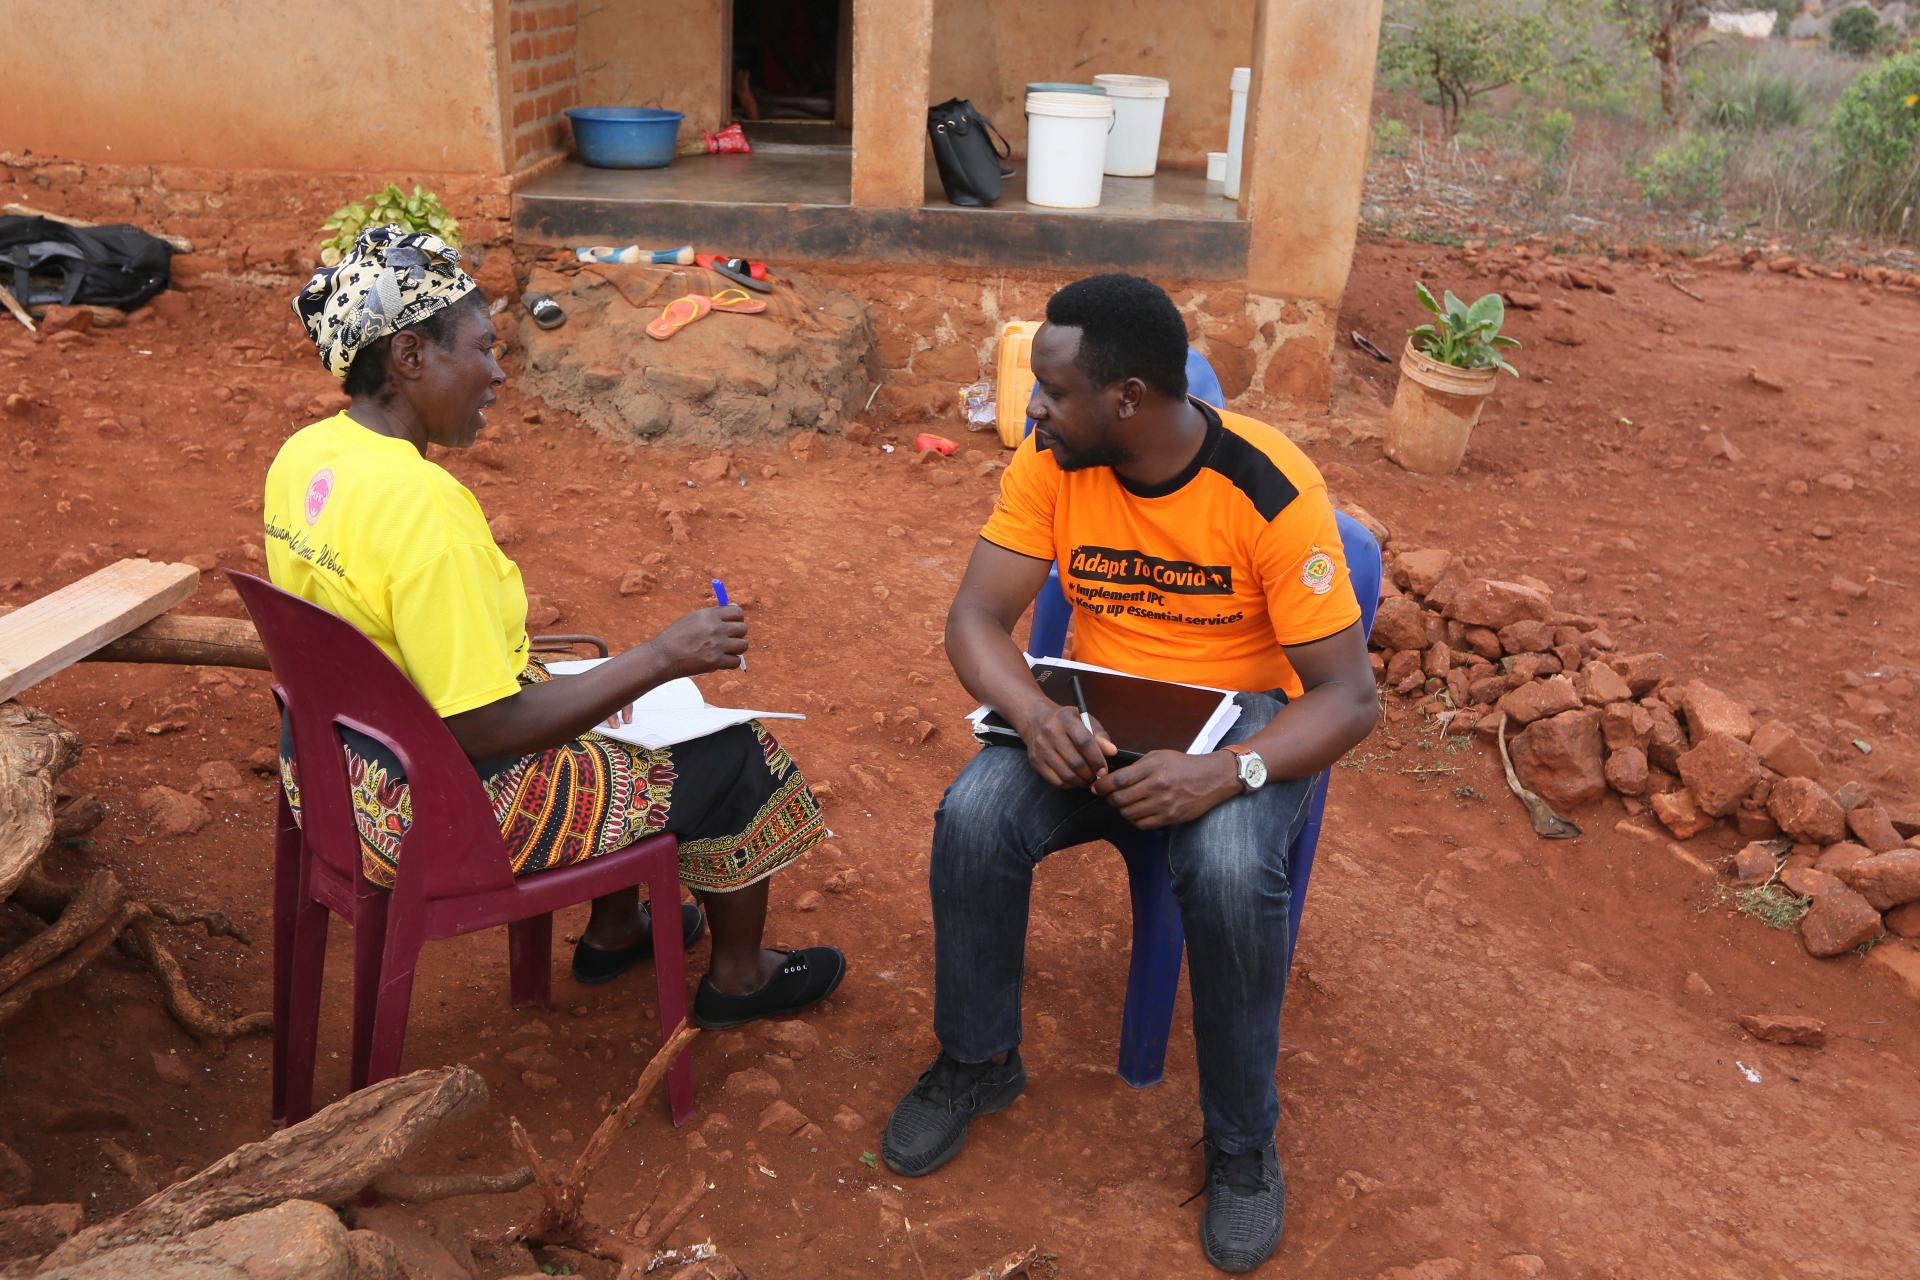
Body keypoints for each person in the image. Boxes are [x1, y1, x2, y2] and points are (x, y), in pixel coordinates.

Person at [880, 275, 1378, 1273]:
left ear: (1128, 399)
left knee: (1232, 873)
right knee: (975, 812)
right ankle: (978, 1060)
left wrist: (1226, 773)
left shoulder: (1269, 487)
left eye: (1053, 392)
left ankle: (1240, 1142)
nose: (1032, 410)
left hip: (1244, 729)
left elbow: (1348, 698)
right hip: (1095, 714)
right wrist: (1031, 711)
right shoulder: (1053, 460)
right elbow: (977, 618)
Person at [268, 226, 844, 1029]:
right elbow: (484, 726)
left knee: (590, 695)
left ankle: (615, 930)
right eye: (480, 348)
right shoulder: (423, 509)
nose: (498, 372)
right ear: (408, 356)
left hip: (334, 776)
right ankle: (741, 977)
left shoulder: (307, 457)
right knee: (737, 754)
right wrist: (666, 655)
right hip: (428, 811)